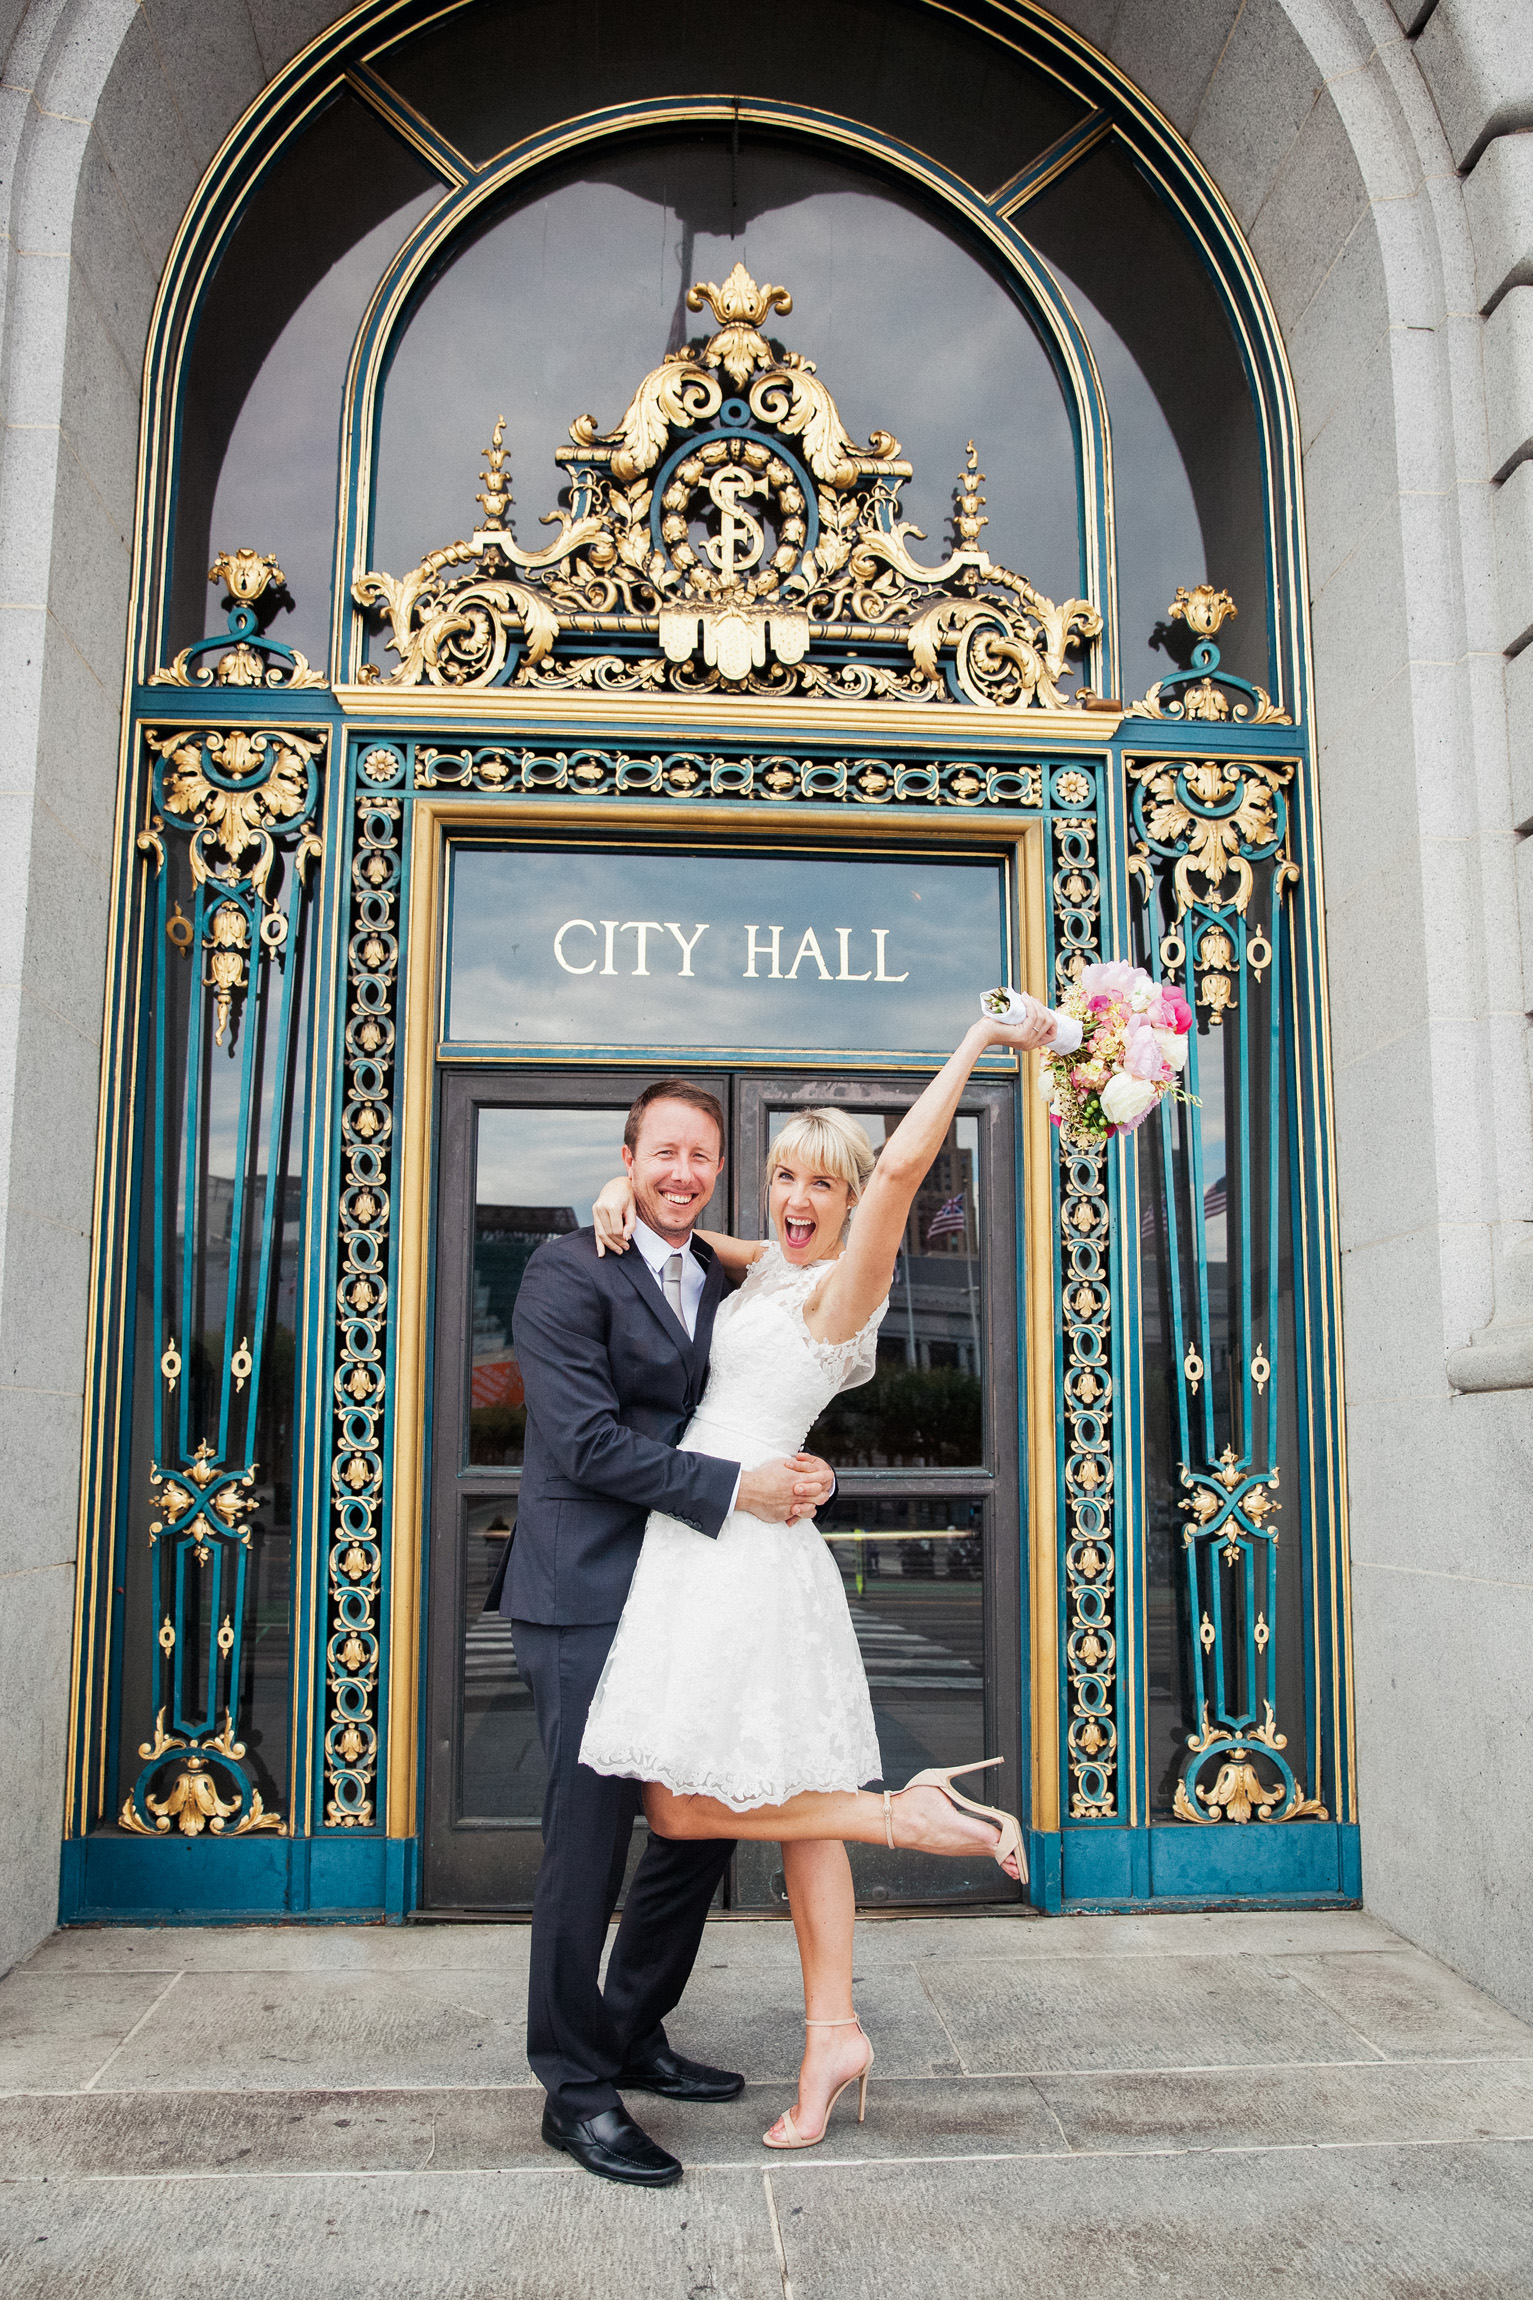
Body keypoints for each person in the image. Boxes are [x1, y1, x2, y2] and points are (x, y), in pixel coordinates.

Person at [582, 1000, 1056, 2151]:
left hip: (742, 1559)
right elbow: (693, 1242)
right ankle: (832, 2031)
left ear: (853, 1205)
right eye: (786, 1174)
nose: (796, 1198)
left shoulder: (850, 1284)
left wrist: (983, 1042)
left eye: (823, 1185)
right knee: (801, 1822)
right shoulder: (771, 1271)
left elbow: (902, 1168)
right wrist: (619, 1196)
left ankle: (912, 1812)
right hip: (714, 1543)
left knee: (681, 1800)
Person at [506, 1078, 838, 2189]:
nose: (683, 1172)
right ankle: (575, 2086)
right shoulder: (565, 1271)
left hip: (678, 1586)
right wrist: (741, 1486)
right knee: (589, 1840)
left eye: (701, 1155)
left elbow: (760, 1371)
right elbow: (590, 1443)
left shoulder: (709, 1272)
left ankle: (628, 2027)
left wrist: (790, 1467)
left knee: (696, 1821)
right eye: (661, 1155)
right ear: (628, 1156)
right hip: (581, 1590)